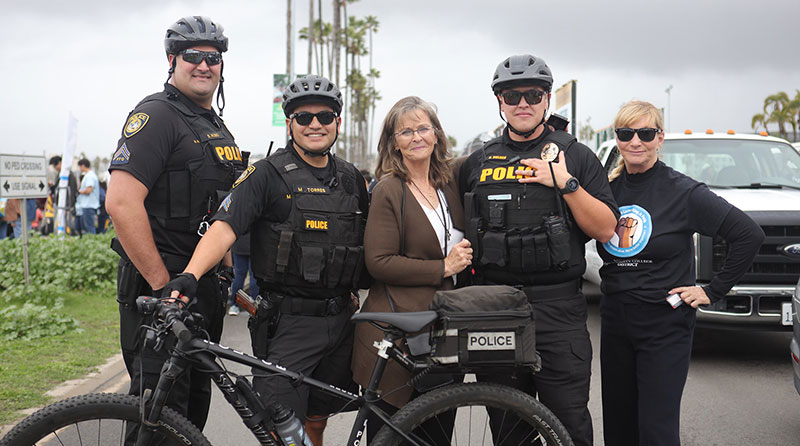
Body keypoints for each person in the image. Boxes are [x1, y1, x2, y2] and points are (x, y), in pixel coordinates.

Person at [162, 74, 369, 445]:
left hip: (341, 320)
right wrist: (190, 276)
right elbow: (225, 226)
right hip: (288, 323)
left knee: (317, 421)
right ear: (289, 123)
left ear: (338, 122)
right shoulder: (266, 173)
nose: (315, 125)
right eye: (303, 118)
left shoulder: (352, 179)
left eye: (325, 116)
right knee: (281, 430)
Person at [458, 54, 619, 446]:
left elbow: (607, 228)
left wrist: (564, 183)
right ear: (499, 101)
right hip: (496, 309)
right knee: (508, 430)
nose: (523, 103)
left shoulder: (576, 155)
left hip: (558, 309)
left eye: (533, 93)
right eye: (512, 95)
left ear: (548, 99)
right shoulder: (476, 162)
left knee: (569, 425)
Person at [105, 15, 244, 432]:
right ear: (172, 59)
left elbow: (220, 207)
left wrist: (224, 270)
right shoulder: (156, 116)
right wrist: (162, 285)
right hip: (162, 294)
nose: (204, 65)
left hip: (200, 289)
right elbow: (121, 203)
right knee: (159, 419)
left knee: (191, 415)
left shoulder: (213, 125)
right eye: (192, 56)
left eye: (212, 57)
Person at [598, 100, 764, 446]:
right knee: (619, 427)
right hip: (615, 320)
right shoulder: (607, 192)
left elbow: (748, 234)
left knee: (656, 431)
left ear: (660, 138)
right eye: (626, 133)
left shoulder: (684, 192)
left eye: (645, 133)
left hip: (664, 324)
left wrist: (711, 290)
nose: (635, 142)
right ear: (617, 139)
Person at [351, 96, 472, 441]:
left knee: (437, 433)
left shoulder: (451, 183)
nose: (416, 137)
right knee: (393, 434)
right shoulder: (389, 189)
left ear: (436, 134)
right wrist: (443, 267)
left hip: (444, 329)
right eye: (405, 131)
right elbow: (379, 261)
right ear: (393, 142)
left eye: (423, 128)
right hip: (396, 331)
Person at [227, 232, 259, 315]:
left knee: (239, 276)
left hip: (238, 245)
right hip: (254, 245)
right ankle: (254, 305)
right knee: (254, 276)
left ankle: (234, 305)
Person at [75, 158, 100, 235]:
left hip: (89, 205)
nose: (80, 168)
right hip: (88, 205)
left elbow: (89, 190)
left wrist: (79, 191)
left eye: (80, 166)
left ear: (83, 166)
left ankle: (92, 243)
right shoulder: (89, 175)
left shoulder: (89, 176)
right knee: (88, 227)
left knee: (89, 228)